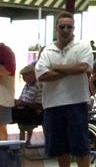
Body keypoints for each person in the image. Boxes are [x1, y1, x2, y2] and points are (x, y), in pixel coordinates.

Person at [35, 11, 93, 167]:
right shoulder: (47, 50)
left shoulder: (83, 46)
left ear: (74, 28)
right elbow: (42, 75)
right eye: (62, 27)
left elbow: (83, 68)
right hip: (52, 105)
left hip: (77, 103)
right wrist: (70, 70)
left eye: (69, 27)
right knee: (60, 149)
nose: (66, 30)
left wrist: (56, 67)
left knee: (81, 148)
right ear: (56, 28)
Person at [12, 63, 43, 146]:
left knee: (22, 120)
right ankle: (22, 142)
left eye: (25, 76)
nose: (23, 79)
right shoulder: (27, 85)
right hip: (25, 109)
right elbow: (21, 97)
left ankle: (24, 142)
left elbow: (39, 105)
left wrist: (23, 103)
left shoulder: (38, 85)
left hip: (33, 112)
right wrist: (17, 102)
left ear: (32, 75)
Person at [0, 42, 16, 141]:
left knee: (1, 128)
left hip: (2, 99)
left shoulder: (5, 51)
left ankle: (2, 153)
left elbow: (8, 70)